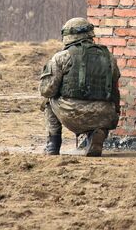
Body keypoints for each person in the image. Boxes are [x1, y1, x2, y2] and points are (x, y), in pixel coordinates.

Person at [40, 18, 120, 157]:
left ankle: (53, 144)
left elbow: (47, 90)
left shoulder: (61, 57)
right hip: (105, 116)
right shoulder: (109, 57)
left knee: (47, 101)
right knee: (104, 109)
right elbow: (115, 91)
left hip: (73, 114)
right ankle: (96, 135)